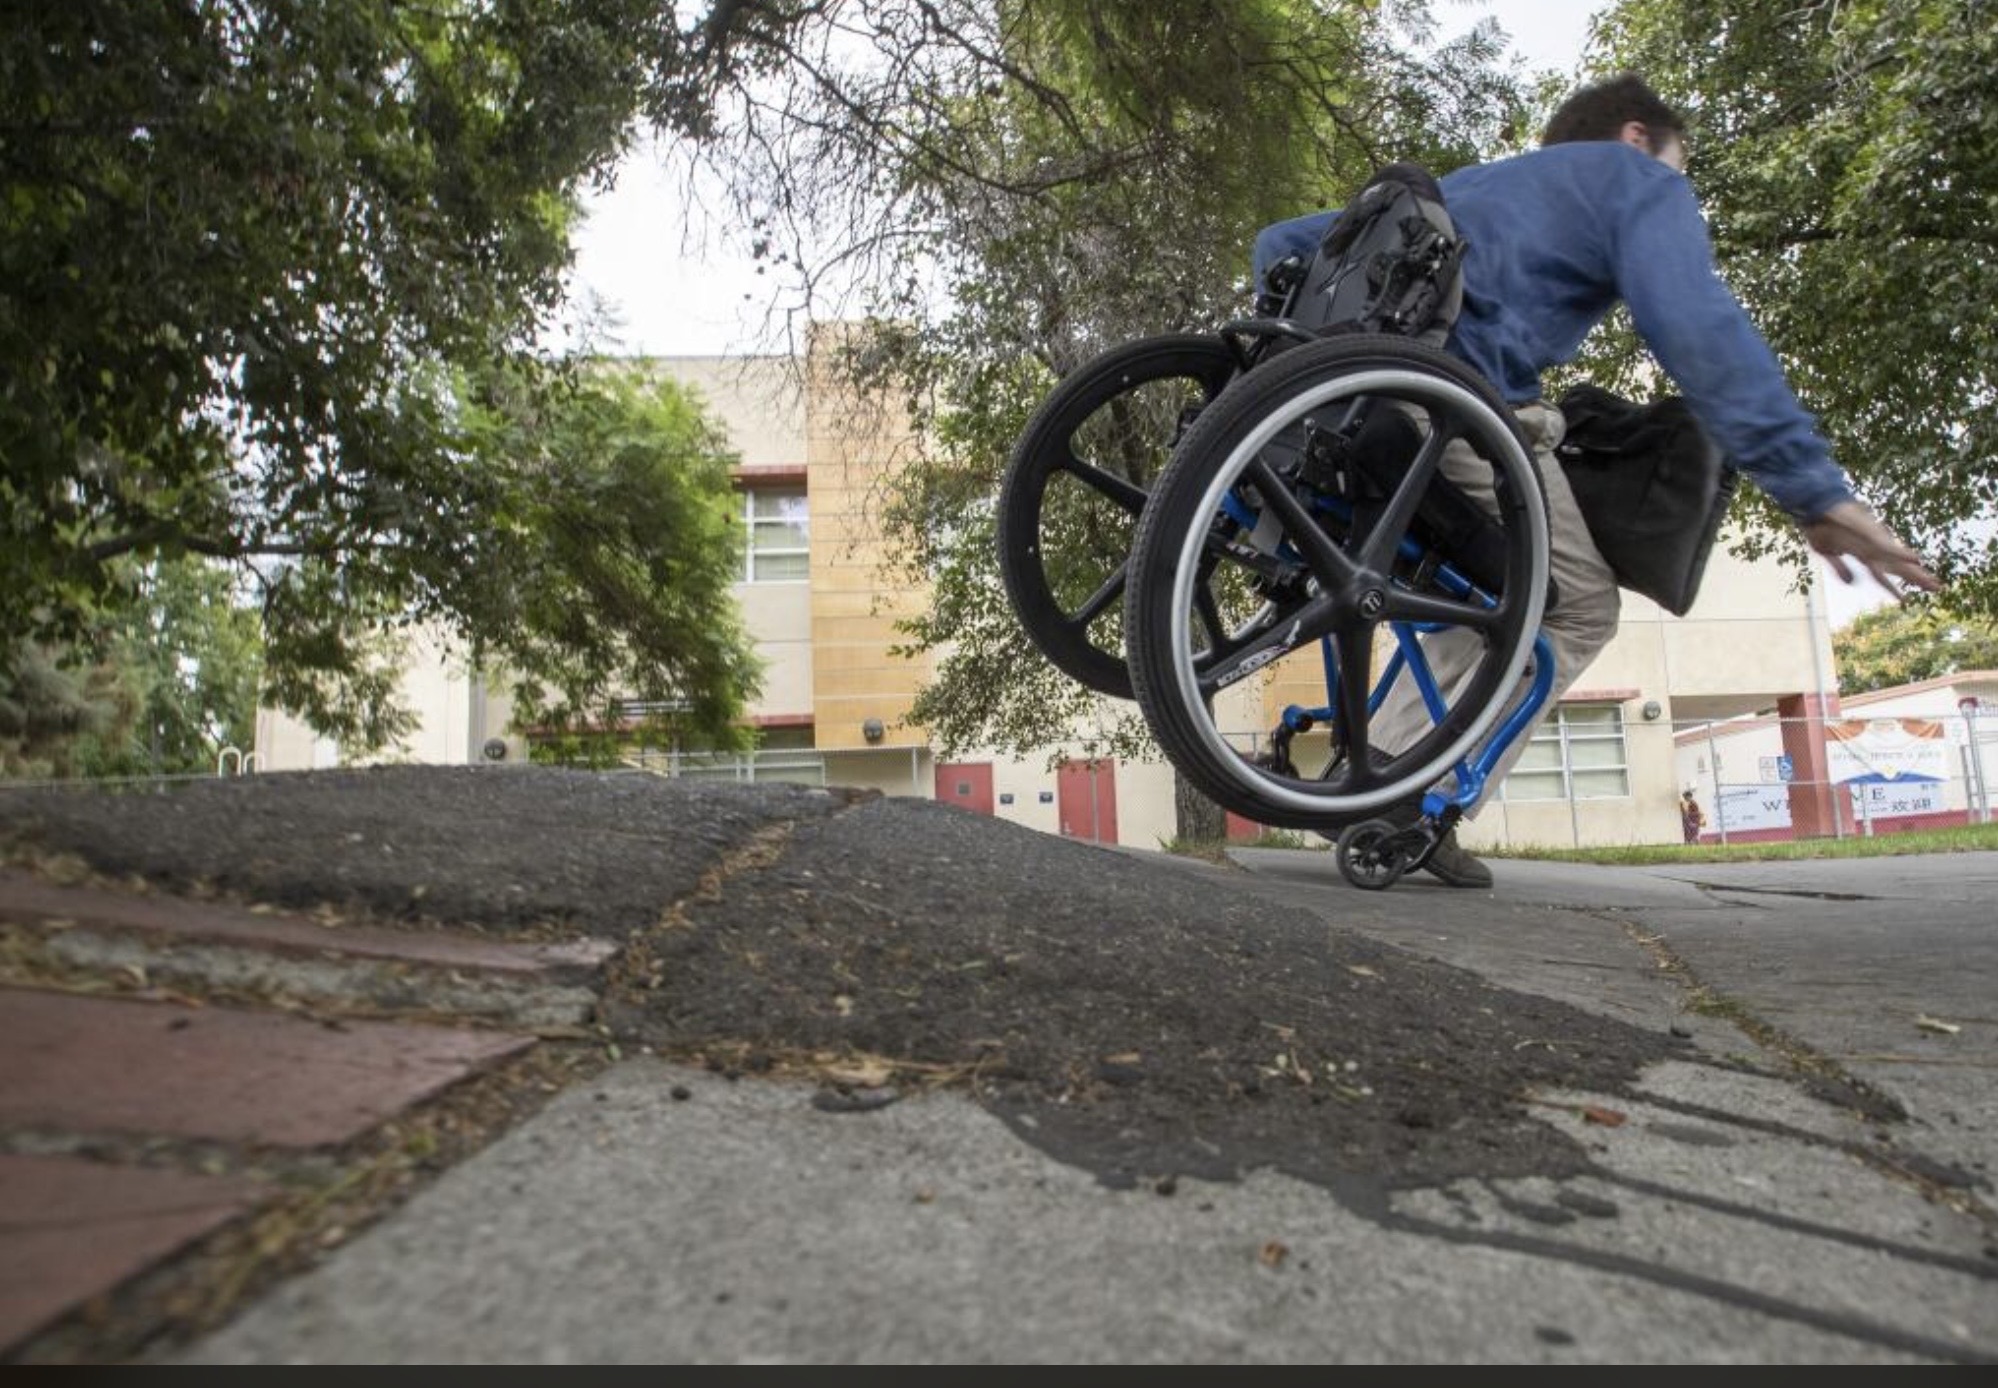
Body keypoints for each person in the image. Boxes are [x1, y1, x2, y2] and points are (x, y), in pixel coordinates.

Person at [1253, 73, 1940, 889]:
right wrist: (1813, 491)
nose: (1674, 186)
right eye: (1676, 166)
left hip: (1355, 396)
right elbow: (1699, 330)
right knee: (1576, 603)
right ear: (1637, 138)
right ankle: (1411, 797)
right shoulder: (1635, 181)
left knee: (1483, 587)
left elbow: (1280, 242)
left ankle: (1379, 771)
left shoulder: (1479, 186)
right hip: (1458, 403)